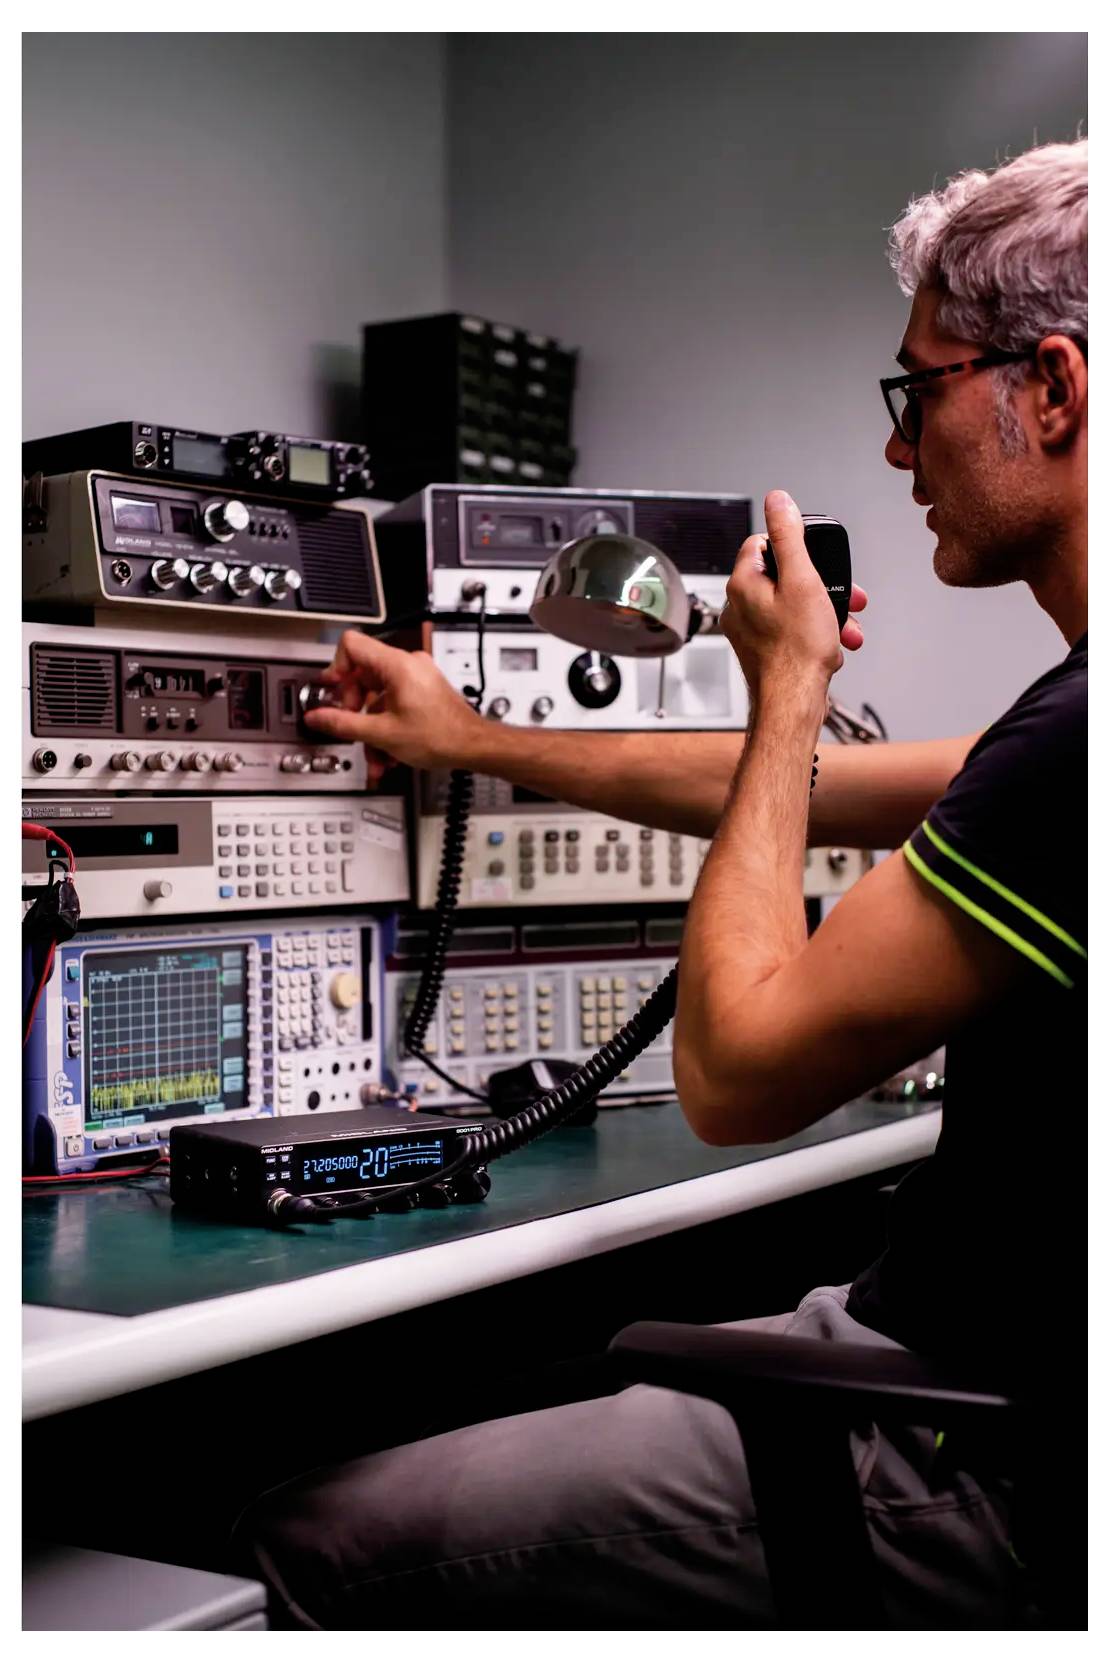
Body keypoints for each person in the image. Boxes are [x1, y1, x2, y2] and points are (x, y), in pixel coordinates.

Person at [237, 139, 1086, 1628]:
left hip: (979, 1456)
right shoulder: (1062, 731)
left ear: (1051, 389)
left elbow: (735, 1072)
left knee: (316, 1529)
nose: (897, 454)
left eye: (918, 392)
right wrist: (475, 739)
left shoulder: (1074, 748)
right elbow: (830, 793)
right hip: (1000, 1390)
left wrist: (786, 693)